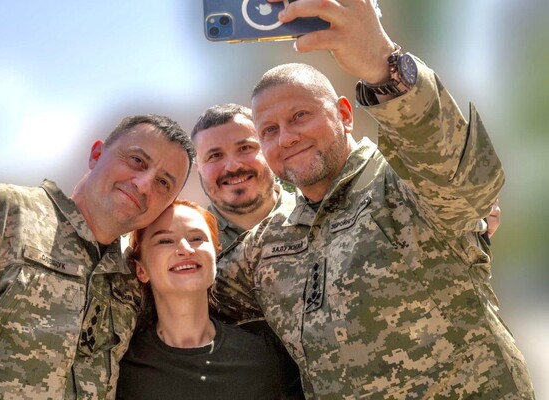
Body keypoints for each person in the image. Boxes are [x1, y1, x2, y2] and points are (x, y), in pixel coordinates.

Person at [213, 0, 535, 398]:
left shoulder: (404, 183)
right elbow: (182, 293)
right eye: (269, 130)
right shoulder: (265, 245)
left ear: (345, 114)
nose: (287, 138)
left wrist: (385, 66)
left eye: (300, 116)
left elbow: (465, 183)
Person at [0, 114, 195, 399]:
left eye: (163, 182)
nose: (144, 184)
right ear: (96, 155)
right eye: (137, 160)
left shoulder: (133, 278)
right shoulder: (1, 215)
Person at [190, 103, 305, 398]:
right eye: (214, 156)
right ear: (198, 167)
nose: (232, 166)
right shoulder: (187, 251)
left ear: (267, 147)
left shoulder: (321, 216)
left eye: (245, 148)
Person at [116, 199, 284, 400]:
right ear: (141, 270)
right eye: (165, 241)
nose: (186, 249)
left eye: (197, 238)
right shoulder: (122, 371)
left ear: (216, 255)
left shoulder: (262, 357)